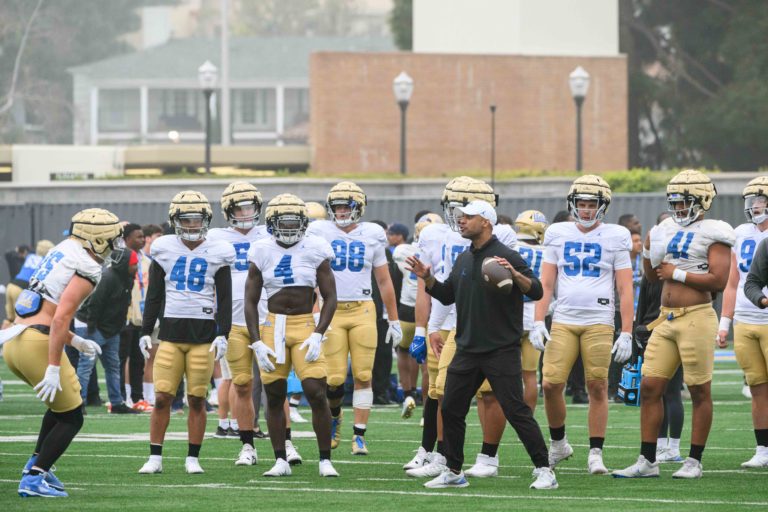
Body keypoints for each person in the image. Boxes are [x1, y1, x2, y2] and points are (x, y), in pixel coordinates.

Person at [406, 199, 557, 490]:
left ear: (485, 221)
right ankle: (453, 470)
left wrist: (515, 275)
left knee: (516, 410)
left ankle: (544, 469)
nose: (461, 221)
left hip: (500, 348)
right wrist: (427, 278)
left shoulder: (506, 254)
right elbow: (447, 294)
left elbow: (536, 290)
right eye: (460, 217)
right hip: (467, 347)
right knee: (450, 407)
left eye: (468, 217)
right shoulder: (464, 258)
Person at [614, 169, 735, 479]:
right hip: (665, 317)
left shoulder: (715, 231)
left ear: (702, 200)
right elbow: (653, 273)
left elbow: (719, 280)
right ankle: (647, 460)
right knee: (651, 386)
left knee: (698, 391)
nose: (679, 209)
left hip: (696, 317)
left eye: (685, 202)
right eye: (675, 202)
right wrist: (647, 252)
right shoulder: (665, 227)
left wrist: (677, 273)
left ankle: (694, 461)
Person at [1, 208, 123, 497]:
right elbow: (58, 319)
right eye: (111, 239)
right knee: (73, 417)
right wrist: (54, 366)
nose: (115, 246)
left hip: (16, 342)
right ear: (95, 239)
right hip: (37, 344)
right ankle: (34, 478)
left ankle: (36, 463)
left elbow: (44, 312)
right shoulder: (88, 266)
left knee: (60, 409)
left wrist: (77, 342)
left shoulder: (64, 249)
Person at [405, 177, 518, 480]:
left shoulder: (502, 234)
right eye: (455, 208)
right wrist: (429, 327)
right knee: (442, 391)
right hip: (451, 321)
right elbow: (433, 284)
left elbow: (512, 283)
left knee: (489, 394)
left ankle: (488, 457)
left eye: (465, 209)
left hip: (485, 324)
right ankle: (444, 456)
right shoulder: (432, 234)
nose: (459, 216)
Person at [532, 175, 634, 475]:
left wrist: (626, 330)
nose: (586, 210)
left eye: (591, 204)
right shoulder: (557, 233)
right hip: (563, 319)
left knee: (597, 386)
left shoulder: (616, 236)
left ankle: (596, 451)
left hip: (599, 321)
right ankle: (559, 443)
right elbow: (546, 282)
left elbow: (625, 288)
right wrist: (538, 320)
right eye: (582, 204)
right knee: (550, 384)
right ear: (572, 204)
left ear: (602, 206)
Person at [137, 191, 234, 475]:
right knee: (163, 397)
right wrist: (145, 330)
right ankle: (155, 456)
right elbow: (154, 294)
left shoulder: (219, 250)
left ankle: (193, 457)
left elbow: (225, 297)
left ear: (206, 220)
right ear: (175, 221)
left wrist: (223, 332)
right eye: (186, 219)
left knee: (196, 399)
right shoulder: (164, 248)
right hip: (169, 336)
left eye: (197, 219)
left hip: (202, 338)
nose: (192, 225)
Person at [245, 193, 340, 477]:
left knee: (315, 391)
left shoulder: (316, 247)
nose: (288, 229)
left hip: (304, 325)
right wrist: (256, 340)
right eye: (282, 223)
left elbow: (331, 296)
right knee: (274, 395)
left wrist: (318, 333)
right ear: (271, 224)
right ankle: (280, 460)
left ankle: (325, 459)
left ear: (304, 223)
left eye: (293, 223)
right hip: (274, 325)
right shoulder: (260, 249)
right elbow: (249, 300)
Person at [307, 181, 402, 455]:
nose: (340, 211)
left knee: (363, 374)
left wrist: (393, 319)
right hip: (331, 310)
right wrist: (315, 313)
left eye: (345, 206)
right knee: (334, 379)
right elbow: (312, 278)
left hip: (362, 309)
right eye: (336, 206)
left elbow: (384, 281)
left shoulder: (372, 234)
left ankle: (359, 435)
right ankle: (336, 417)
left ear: (358, 207)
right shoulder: (319, 231)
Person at [207, 181, 271, 466]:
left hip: (269, 318)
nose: (245, 213)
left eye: (249, 207)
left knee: (275, 383)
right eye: (239, 207)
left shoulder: (271, 231)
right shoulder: (215, 237)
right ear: (228, 210)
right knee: (241, 383)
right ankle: (246, 444)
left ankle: (288, 444)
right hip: (231, 320)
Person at [729, 176, 768, 468]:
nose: (756, 206)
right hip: (744, 318)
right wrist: (724, 322)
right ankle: (763, 449)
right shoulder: (740, 232)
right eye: (753, 201)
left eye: (762, 201)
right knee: (757, 387)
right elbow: (734, 282)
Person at [75, 248, 139, 414]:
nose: (137, 266)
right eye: (134, 263)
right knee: (86, 365)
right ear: (125, 264)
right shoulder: (108, 278)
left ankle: (117, 403)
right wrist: (91, 326)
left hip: (111, 329)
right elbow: (96, 303)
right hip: (93, 327)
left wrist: (118, 326)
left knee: (113, 366)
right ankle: (77, 404)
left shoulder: (127, 278)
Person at [392, 213, 443, 418]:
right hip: (431, 309)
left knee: (403, 352)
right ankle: (426, 406)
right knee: (427, 360)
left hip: (407, 307)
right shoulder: (442, 252)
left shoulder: (403, 251)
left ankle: (408, 394)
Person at [513, 210, 549, 411]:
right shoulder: (547, 253)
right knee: (530, 375)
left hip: (510, 314)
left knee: (505, 373)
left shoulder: (510, 248)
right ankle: (528, 420)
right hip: (535, 316)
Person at [3, 240, 53, 329]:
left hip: (11, 286)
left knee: (10, 318)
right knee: (19, 320)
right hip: (20, 289)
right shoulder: (45, 261)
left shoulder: (30, 256)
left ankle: (2, 339)